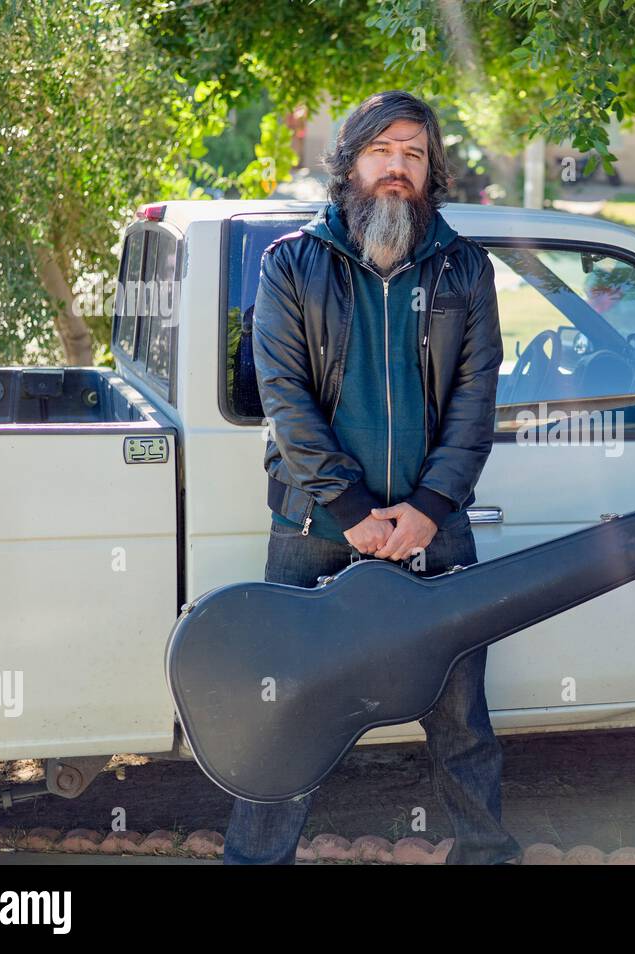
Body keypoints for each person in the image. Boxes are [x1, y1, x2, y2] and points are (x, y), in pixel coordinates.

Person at [225, 90, 520, 865]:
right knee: (286, 717)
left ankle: (486, 854)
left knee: (461, 719)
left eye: (414, 154)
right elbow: (284, 403)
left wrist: (428, 507)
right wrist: (352, 509)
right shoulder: (292, 263)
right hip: (313, 532)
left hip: (436, 531)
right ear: (350, 161)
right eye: (383, 150)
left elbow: (474, 401)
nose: (398, 167)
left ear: (432, 172)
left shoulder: (464, 269)